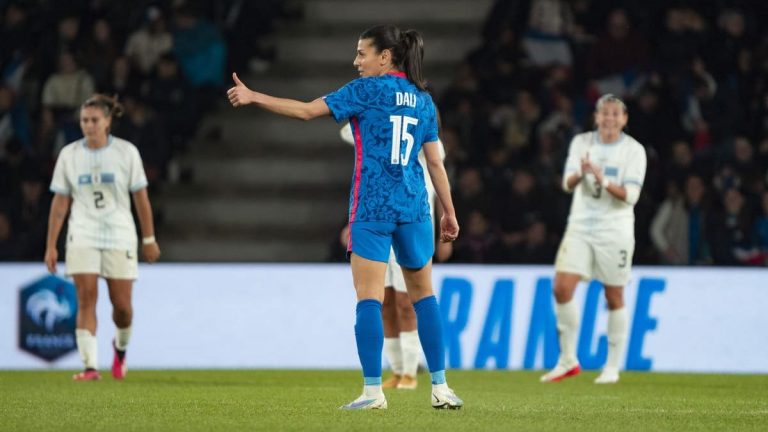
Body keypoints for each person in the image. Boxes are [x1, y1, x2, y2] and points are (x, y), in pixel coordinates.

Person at [228, 24, 463, 410]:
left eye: (361, 53)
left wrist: (254, 96)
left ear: (385, 57)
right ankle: (441, 387)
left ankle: (373, 393)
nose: (356, 61)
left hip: (372, 208)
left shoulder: (365, 91)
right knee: (424, 298)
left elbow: (305, 112)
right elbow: (435, 162)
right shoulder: (424, 100)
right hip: (415, 208)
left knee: (369, 299)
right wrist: (450, 213)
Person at [44, 94, 161, 381]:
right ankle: (90, 367)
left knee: (122, 308)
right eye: (84, 120)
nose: (89, 126)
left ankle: (120, 349)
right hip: (82, 233)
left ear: (108, 121)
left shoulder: (126, 152)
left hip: (120, 234)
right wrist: (51, 245)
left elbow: (141, 197)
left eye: (94, 120)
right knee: (86, 298)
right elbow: (60, 203)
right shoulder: (69, 154)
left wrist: (149, 239)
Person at [540, 94, 647, 385]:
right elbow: (566, 183)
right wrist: (582, 173)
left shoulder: (634, 151)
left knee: (613, 295)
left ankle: (612, 366)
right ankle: (568, 359)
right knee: (561, 288)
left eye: (615, 113)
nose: (609, 118)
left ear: (624, 119)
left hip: (615, 230)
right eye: (604, 113)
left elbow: (632, 197)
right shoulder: (581, 143)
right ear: (596, 117)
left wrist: (603, 180)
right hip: (580, 227)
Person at [340, 123, 453, 391]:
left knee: (407, 301)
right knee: (386, 300)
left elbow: (435, 190)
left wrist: (441, 230)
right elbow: (349, 130)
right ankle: (398, 369)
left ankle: (412, 372)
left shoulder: (427, 140)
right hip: (381, 218)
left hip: (413, 221)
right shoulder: (385, 132)